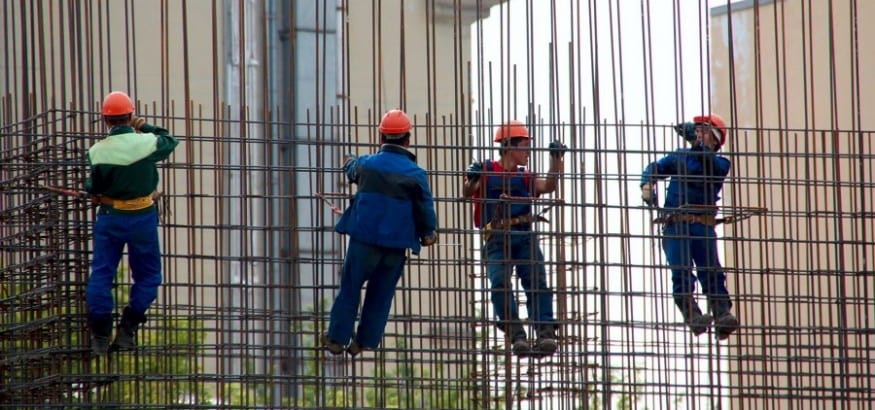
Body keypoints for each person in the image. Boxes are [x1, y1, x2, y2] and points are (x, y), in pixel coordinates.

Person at [322, 109, 438, 356]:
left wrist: (348, 159)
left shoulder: (367, 165)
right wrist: (429, 233)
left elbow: (351, 168)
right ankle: (364, 341)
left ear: (381, 137)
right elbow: (425, 208)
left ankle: (336, 338)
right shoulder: (416, 174)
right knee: (381, 295)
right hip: (396, 247)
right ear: (408, 139)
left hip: (364, 242)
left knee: (351, 288)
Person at [85, 91, 180, 355]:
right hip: (142, 217)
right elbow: (170, 140)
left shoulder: (97, 152)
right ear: (131, 115)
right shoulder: (147, 143)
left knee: (102, 274)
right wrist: (143, 125)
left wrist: (93, 190)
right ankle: (127, 330)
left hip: (111, 217)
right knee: (149, 276)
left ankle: (100, 337)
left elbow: (95, 186)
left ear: (105, 120)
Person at [463, 121, 566, 356]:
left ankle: (545, 332)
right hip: (496, 237)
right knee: (499, 283)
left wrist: (556, 160)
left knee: (536, 281)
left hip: (524, 236)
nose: (528, 152)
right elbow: (468, 191)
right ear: (509, 146)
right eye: (525, 146)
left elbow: (548, 185)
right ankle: (516, 333)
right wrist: (472, 176)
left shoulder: (526, 177)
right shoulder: (487, 170)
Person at [640, 113, 740, 340]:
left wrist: (695, 144)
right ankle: (693, 316)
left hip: (702, 226)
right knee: (681, 271)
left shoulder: (720, 163)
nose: (698, 134)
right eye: (697, 130)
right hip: (677, 225)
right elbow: (656, 167)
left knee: (711, 271)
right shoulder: (680, 157)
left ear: (715, 139)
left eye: (704, 131)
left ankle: (722, 314)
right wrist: (647, 182)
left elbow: (709, 162)